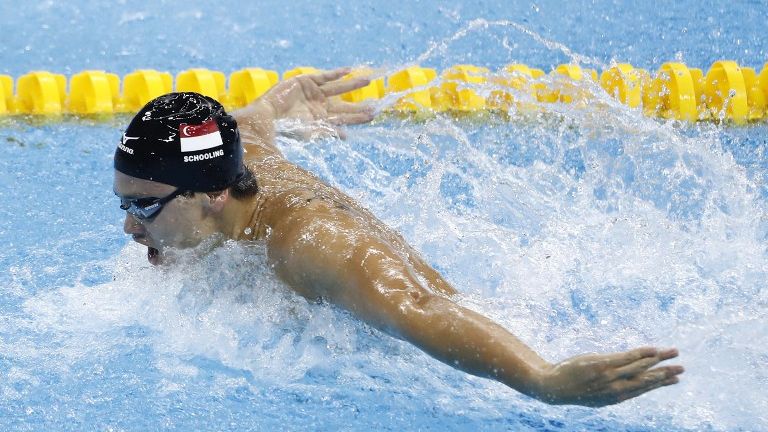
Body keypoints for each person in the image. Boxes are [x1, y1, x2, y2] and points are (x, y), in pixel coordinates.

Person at [113, 68, 683, 407]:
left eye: (144, 206)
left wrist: (544, 379)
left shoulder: (309, 243)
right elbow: (250, 123)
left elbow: (418, 306)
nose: (129, 226)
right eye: (124, 204)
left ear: (212, 194)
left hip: (489, 332)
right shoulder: (242, 160)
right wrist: (278, 104)